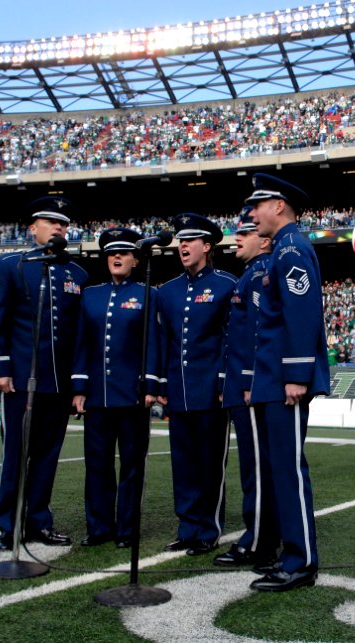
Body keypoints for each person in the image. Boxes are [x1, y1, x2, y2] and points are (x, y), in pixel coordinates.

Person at [0, 196, 88, 551]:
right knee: (16, 453)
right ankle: (9, 525)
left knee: (47, 455)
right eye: (50, 221)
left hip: (57, 384)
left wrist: (76, 382)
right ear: (33, 227)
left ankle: (39, 521)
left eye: (63, 223)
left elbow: (78, 335)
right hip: (19, 380)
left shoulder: (77, 273)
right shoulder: (11, 265)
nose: (58, 228)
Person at [247, 173, 330, 592]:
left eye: (258, 205)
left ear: (278, 205)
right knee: (279, 471)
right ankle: (289, 555)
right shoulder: (282, 248)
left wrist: (297, 375)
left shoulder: (292, 249)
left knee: (289, 471)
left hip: (285, 381)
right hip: (272, 379)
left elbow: (301, 317)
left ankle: (301, 562)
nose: (252, 213)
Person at [72, 227, 160, 549]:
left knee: (132, 466)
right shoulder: (91, 295)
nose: (116, 258)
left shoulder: (148, 293)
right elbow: (81, 344)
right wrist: (79, 387)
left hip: (133, 395)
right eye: (111, 253)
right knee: (97, 465)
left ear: (136, 260)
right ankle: (99, 528)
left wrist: (150, 383)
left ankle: (126, 530)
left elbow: (154, 342)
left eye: (123, 253)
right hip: (97, 396)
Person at [156, 213, 237, 557]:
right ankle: (187, 527)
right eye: (180, 241)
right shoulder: (168, 291)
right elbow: (165, 341)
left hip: (211, 390)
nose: (183, 246)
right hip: (178, 390)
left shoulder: (226, 284)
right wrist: (161, 383)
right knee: (183, 464)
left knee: (209, 462)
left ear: (207, 246)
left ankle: (209, 528)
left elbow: (230, 338)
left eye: (190, 241)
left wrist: (222, 379)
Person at [214, 212, 280, 568]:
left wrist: (250, 381)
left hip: (249, 385)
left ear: (265, 240)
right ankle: (262, 534)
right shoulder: (251, 273)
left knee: (256, 467)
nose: (237, 237)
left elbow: (257, 333)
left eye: (246, 232)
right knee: (256, 465)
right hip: (242, 382)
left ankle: (257, 540)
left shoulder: (258, 274)